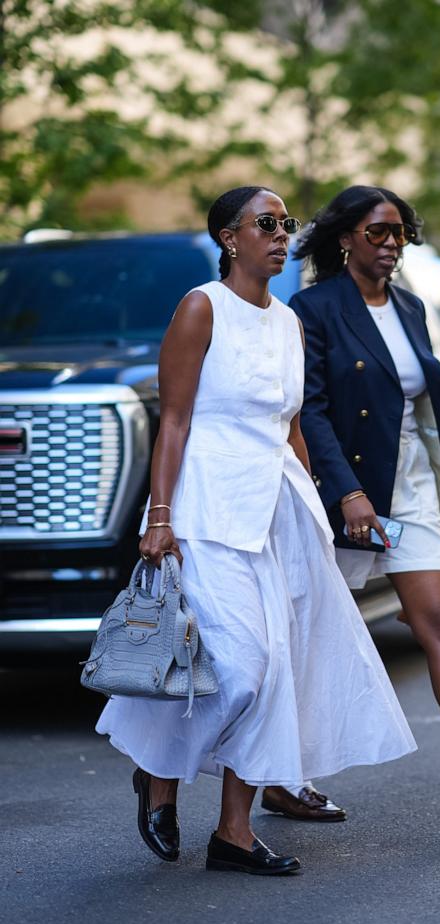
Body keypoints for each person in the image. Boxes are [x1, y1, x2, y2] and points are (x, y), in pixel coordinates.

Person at [96, 185, 416, 875]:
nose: (279, 235)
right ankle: (158, 775)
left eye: (286, 224)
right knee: (236, 667)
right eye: (264, 224)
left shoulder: (287, 323)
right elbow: (173, 421)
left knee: (275, 668)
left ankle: (233, 833)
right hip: (207, 508)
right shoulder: (200, 308)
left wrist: (322, 513)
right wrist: (159, 518)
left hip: (279, 512)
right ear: (228, 238)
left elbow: (293, 427)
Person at [260, 185, 440, 833]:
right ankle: (282, 779)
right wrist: (347, 492)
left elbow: (424, 414)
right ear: (345, 240)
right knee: (305, 636)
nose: (392, 243)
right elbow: (308, 408)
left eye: (399, 232)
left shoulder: (412, 308)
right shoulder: (313, 309)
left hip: (414, 490)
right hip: (343, 494)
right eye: (378, 232)